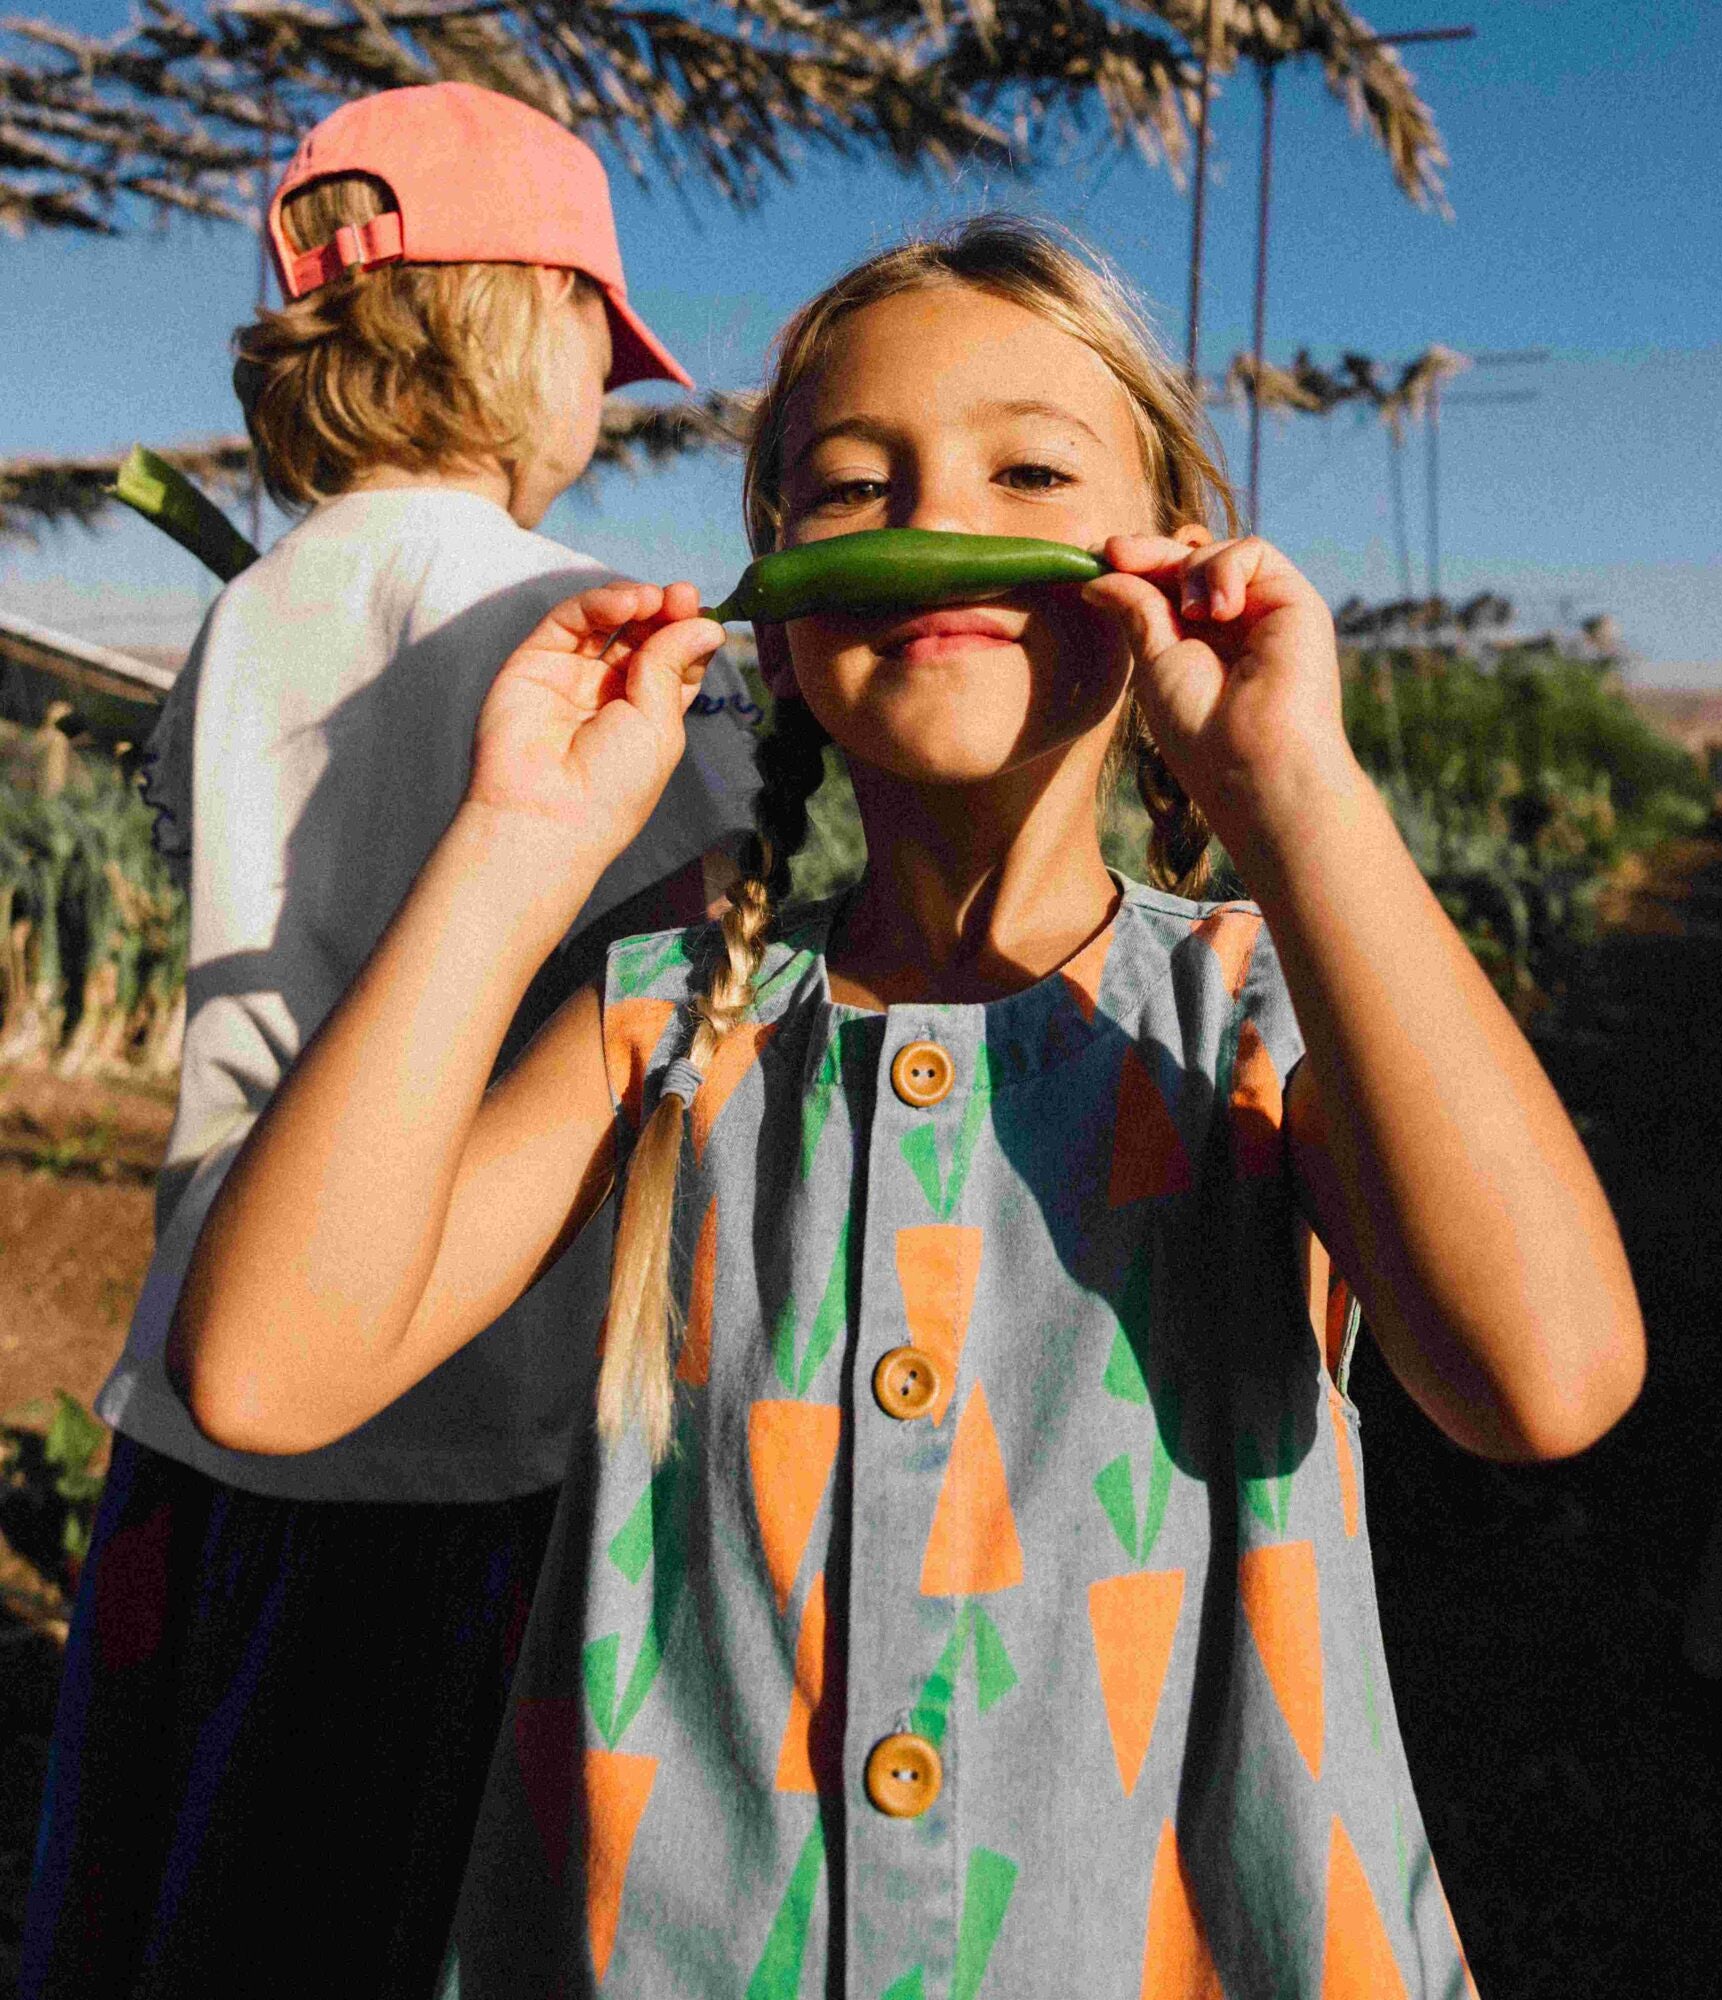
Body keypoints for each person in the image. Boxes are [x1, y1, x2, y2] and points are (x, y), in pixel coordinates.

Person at [168, 216, 1646, 1996]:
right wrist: (516, 844)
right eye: (856, 486)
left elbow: (1546, 1379)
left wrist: (1298, 792)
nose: (938, 517)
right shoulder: (676, 1011)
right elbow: (262, 1374)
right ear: (783, 612)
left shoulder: (1261, 1011)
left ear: (1170, 554)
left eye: (1031, 472)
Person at [23, 83, 761, 2000]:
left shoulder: (250, 613)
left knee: (179, 1886)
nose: (607, 389)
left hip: (198, 1389)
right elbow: (686, 961)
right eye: (600, 333)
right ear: (527, 317)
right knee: (371, 1904)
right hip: (453, 1411)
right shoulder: (565, 623)